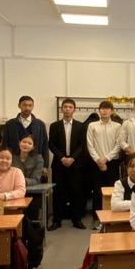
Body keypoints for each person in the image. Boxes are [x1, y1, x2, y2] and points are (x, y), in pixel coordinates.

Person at [48, 97, 88, 230]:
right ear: (61, 109)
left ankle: (76, 219)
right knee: (58, 193)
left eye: (70, 107)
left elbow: (82, 145)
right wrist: (62, 158)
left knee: (76, 192)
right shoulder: (54, 126)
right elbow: (51, 144)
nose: (67, 109)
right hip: (59, 165)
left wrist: (72, 158)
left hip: (76, 165)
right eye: (65, 107)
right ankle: (57, 220)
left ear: (74, 110)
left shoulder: (81, 126)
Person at [87, 100, 123, 228]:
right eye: (102, 108)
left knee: (112, 190)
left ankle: (111, 217)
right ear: (99, 111)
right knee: (97, 191)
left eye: (107, 108)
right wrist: (98, 160)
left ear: (111, 111)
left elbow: (118, 145)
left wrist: (106, 158)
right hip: (96, 163)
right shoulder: (92, 125)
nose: (104, 111)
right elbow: (90, 145)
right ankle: (96, 218)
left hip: (112, 163)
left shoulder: (117, 126)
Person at [1, 95, 49, 180]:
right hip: (15, 162)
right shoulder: (10, 124)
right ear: (19, 105)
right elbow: (5, 144)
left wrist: (45, 165)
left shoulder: (40, 124)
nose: (27, 108)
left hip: (35, 163)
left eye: (30, 105)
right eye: (24, 105)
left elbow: (45, 145)